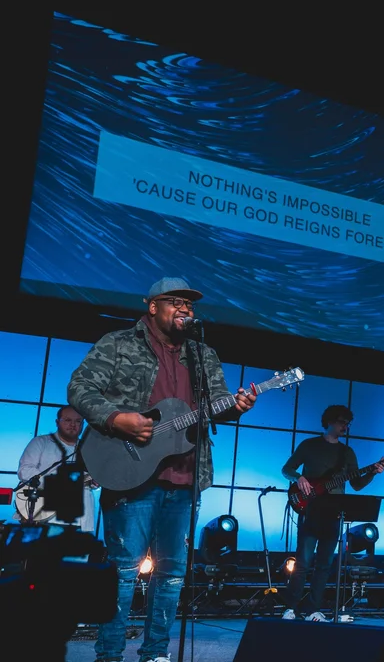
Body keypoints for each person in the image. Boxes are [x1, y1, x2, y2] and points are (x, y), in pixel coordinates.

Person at [68, 276, 257, 662]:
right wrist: (116, 418)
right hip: (129, 471)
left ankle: (155, 653)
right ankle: (109, 654)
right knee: (123, 571)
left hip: (186, 476)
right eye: (175, 302)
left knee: (171, 573)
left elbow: (217, 404)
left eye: (190, 304)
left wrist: (235, 407)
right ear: (153, 307)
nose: (185, 308)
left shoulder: (203, 354)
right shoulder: (119, 343)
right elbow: (80, 388)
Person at [280, 404, 384, 621]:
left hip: (334, 514)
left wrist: (373, 473)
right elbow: (286, 469)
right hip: (310, 511)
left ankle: (312, 610)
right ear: (329, 421)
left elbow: (356, 484)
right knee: (302, 562)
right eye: (341, 422)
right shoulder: (309, 445)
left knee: (324, 565)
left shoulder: (347, 453)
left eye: (347, 423)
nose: (345, 426)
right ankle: (290, 608)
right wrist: (299, 478)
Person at [15, 405, 98, 533]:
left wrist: (94, 482)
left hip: (80, 519)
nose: (73, 425)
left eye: (78, 421)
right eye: (68, 420)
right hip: (45, 516)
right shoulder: (41, 442)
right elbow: (25, 471)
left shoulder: (89, 450)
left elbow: (92, 480)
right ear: (57, 422)